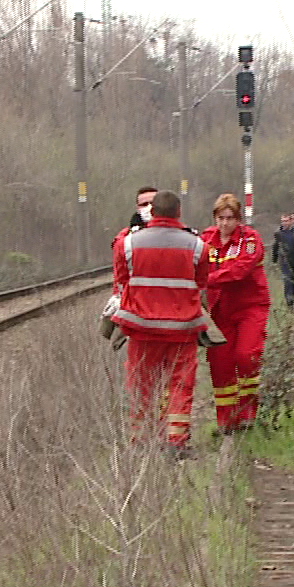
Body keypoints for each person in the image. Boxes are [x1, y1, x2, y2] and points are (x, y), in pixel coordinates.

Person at [111, 189, 209, 457]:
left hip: (142, 329)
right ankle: (177, 443)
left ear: (152, 213)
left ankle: (142, 442)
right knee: (180, 385)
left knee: (142, 385)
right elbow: (201, 283)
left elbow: (122, 280)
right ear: (179, 213)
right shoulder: (197, 245)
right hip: (183, 329)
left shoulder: (128, 243)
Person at [203, 193, 271, 432]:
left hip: (250, 307)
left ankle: (248, 411)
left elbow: (240, 270)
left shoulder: (250, 240)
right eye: (220, 218)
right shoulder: (206, 239)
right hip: (220, 311)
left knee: (246, 356)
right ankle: (226, 420)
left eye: (229, 218)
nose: (224, 223)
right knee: (220, 363)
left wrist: (207, 279)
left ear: (238, 218)